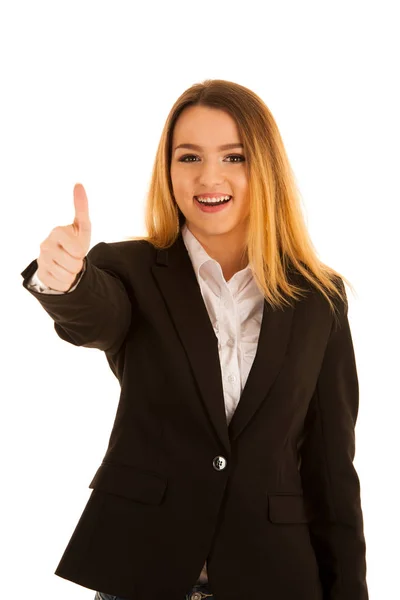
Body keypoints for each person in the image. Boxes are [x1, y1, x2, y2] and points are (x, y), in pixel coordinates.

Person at [20, 79, 369, 600]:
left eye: (234, 157)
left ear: (265, 168)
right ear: (169, 170)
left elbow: (331, 470)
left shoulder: (319, 297)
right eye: (189, 157)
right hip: (142, 576)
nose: (209, 177)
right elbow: (96, 316)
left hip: (274, 579)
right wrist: (66, 278)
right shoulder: (130, 270)